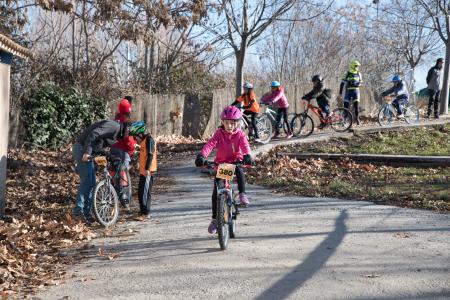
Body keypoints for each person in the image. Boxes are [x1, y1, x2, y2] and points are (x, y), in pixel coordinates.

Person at [195, 105, 253, 234]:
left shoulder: (240, 135)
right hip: (222, 165)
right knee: (216, 193)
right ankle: (215, 220)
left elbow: (245, 146)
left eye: (232, 123)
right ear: (223, 122)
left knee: (239, 170)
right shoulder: (219, 133)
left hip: (235, 163)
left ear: (237, 123)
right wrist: (202, 155)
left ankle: (242, 194)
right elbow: (210, 144)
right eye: (227, 123)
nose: (229, 126)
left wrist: (247, 155)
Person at [72, 119, 131, 224]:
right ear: (126, 129)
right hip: (82, 148)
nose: (129, 136)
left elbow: (99, 147)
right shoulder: (114, 126)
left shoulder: (116, 136)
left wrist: (112, 157)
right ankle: (78, 212)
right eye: (129, 133)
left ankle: (87, 213)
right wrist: (87, 152)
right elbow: (94, 134)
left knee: (92, 183)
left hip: (88, 149)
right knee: (87, 181)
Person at [111, 96, 138, 205]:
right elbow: (127, 138)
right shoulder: (127, 121)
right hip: (123, 151)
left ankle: (113, 193)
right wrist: (132, 147)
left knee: (114, 172)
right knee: (123, 173)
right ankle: (124, 197)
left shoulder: (115, 120)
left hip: (113, 148)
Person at [130, 121, 157, 218]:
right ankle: (142, 211)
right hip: (143, 171)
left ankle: (146, 213)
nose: (135, 138)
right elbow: (144, 154)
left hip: (148, 172)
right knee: (140, 192)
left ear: (140, 133)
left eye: (135, 136)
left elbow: (150, 154)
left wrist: (146, 169)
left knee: (145, 193)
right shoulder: (144, 141)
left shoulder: (149, 140)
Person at [338, 60, 363, 125]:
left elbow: (361, 83)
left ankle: (357, 118)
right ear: (352, 66)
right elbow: (342, 84)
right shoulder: (347, 73)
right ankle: (345, 120)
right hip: (348, 91)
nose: (357, 67)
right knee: (346, 107)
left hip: (356, 91)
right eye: (356, 66)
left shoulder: (359, 74)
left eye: (358, 66)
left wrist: (356, 83)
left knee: (356, 106)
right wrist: (340, 93)